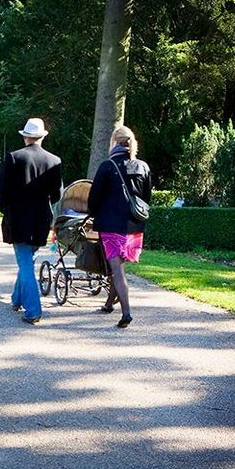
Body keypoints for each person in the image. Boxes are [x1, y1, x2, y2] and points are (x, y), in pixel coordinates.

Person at [0, 118, 63, 324]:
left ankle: (33, 310)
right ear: (42, 137)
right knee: (26, 259)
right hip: (41, 219)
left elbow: (2, 190)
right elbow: (57, 194)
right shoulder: (54, 160)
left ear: (25, 136)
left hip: (18, 218)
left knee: (25, 262)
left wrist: (6, 210)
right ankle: (17, 299)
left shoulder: (14, 157)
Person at [87, 126, 152, 328]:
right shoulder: (142, 166)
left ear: (114, 142)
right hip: (134, 226)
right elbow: (147, 197)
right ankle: (109, 304)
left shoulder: (108, 166)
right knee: (119, 267)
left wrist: (92, 213)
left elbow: (94, 196)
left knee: (116, 269)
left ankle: (127, 313)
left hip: (112, 225)